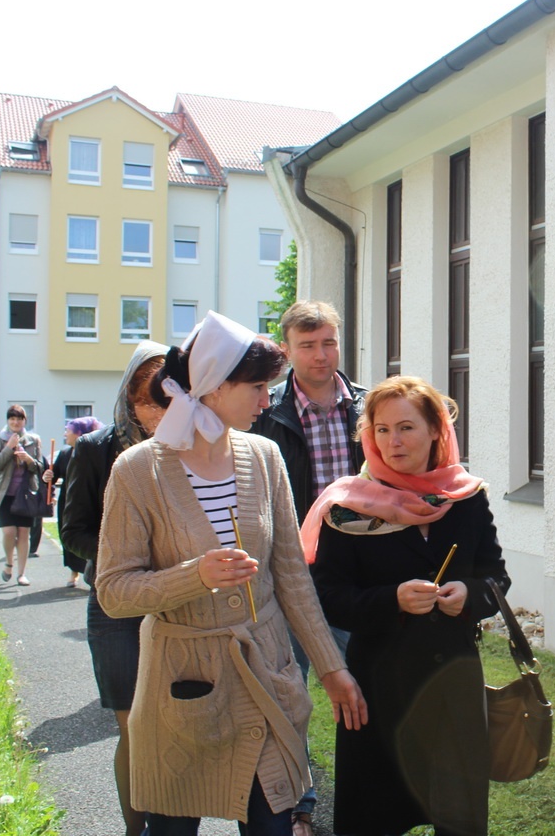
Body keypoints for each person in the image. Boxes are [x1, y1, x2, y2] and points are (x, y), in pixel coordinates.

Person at [96, 311, 366, 836]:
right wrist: (193, 576)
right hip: (184, 687)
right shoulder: (138, 470)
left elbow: (292, 577)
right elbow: (113, 591)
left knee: (273, 825)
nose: (267, 401)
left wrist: (331, 668)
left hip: (266, 674)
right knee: (173, 829)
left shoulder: (263, 456)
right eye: (258, 388)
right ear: (215, 386)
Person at [307, 375, 510, 836]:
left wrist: (469, 595)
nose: (392, 441)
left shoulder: (466, 497)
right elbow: (330, 598)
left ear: (436, 430)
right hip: (379, 691)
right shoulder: (349, 506)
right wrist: (392, 599)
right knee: (373, 818)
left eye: (406, 428)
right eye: (381, 429)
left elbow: (496, 577)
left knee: (459, 819)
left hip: (452, 685)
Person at [63, 341, 169, 836]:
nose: (159, 411)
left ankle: (169, 823)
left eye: (168, 397)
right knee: (133, 725)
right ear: (130, 396)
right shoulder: (95, 449)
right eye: (148, 399)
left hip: (174, 600)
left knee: (172, 724)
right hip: (116, 606)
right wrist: (123, 558)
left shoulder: (186, 447)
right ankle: (135, 828)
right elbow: (73, 530)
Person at [251, 300, 366, 669]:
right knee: (288, 678)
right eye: (308, 345)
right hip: (292, 568)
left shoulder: (369, 407)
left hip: (359, 565)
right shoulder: (264, 413)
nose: (321, 355)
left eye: (329, 343)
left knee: (363, 676)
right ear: (286, 351)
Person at [42, 415, 103, 587]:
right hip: (68, 503)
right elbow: (53, 476)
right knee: (69, 535)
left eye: (68, 431)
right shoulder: (65, 454)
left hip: (90, 502)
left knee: (90, 535)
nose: (65, 434)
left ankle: (94, 572)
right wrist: (47, 477)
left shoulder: (94, 454)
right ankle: (74, 571)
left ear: (79, 433)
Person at [0, 404, 44, 586]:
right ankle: (8, 563)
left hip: (26, 494)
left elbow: (39, 467)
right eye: (12, 419)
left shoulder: (33, 440)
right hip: (4, 494)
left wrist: (28, 460)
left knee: (24, 532)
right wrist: (9, 448)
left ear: (24, 421)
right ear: (8, 421)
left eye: (19, 419)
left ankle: (21, 573)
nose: (16, 422)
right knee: (9, 532)